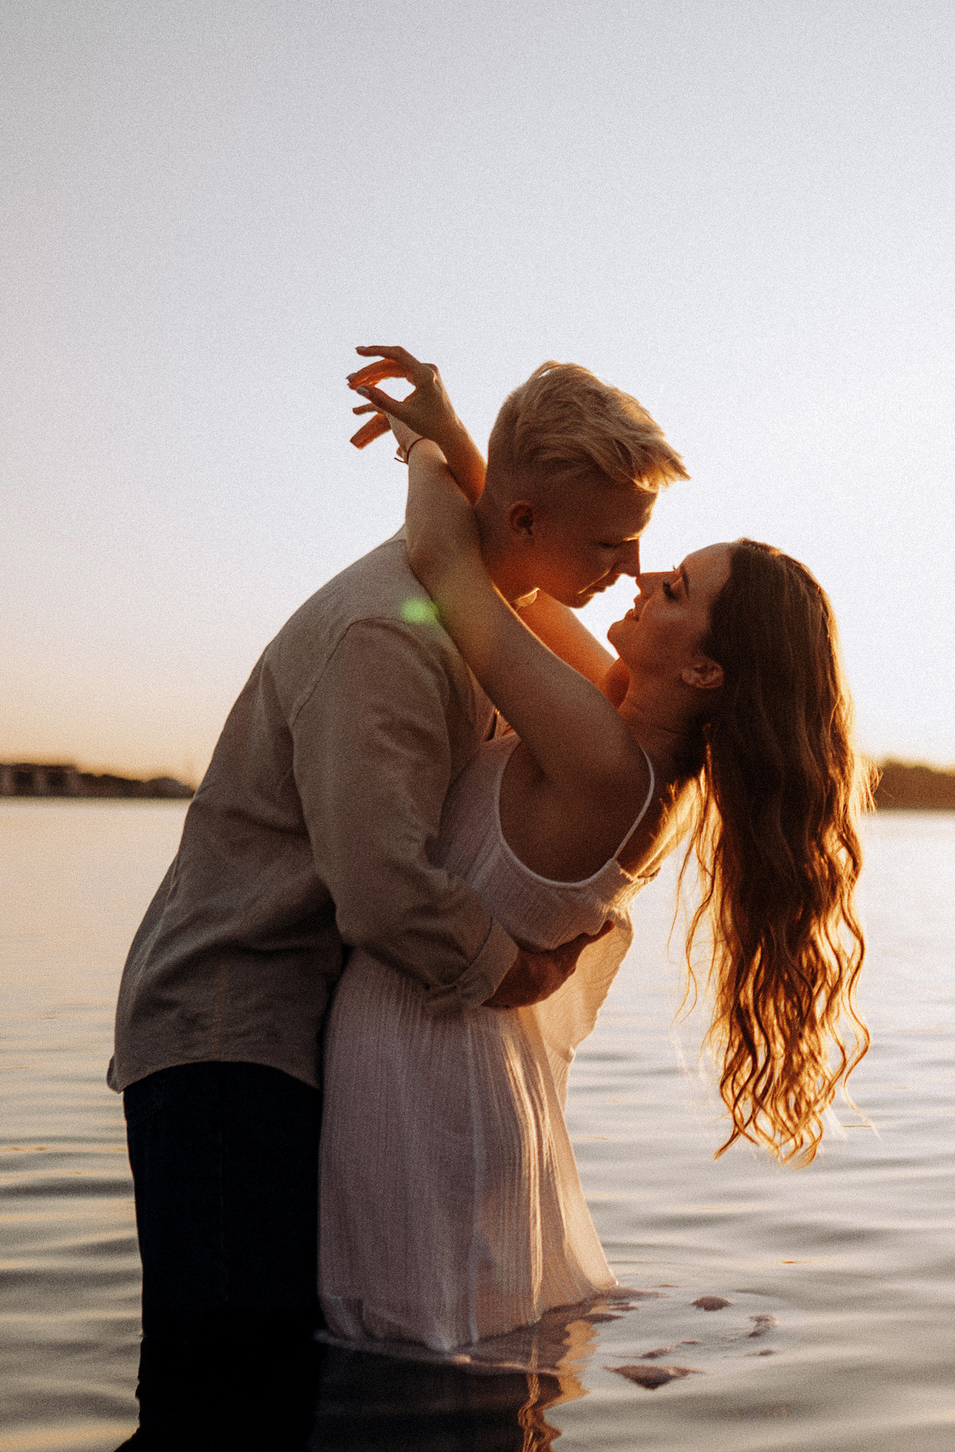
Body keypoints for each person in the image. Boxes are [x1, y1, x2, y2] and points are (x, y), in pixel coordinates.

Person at [106, 349, 688, 1452]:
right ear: (522, 516)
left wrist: (446, 447)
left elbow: (502, 563)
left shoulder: (488, 601)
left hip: (290, 1031)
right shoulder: (391, 636)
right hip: (229, 1031)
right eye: (609, 544)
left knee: (272, 1386)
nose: (632, 571)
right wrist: (509, 966)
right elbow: (379, 888)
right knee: (228, 1391)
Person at [316, 361, 867, 1358]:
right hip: (449, 1066)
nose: (643, 573)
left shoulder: (603, 760)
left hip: (426, 1076)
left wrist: (425, 448)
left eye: (677, 588)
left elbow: (455, 569)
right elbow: (514, 574)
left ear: (701, 667)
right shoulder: (620, 730)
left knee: (424, 1391)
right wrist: (466, 440)